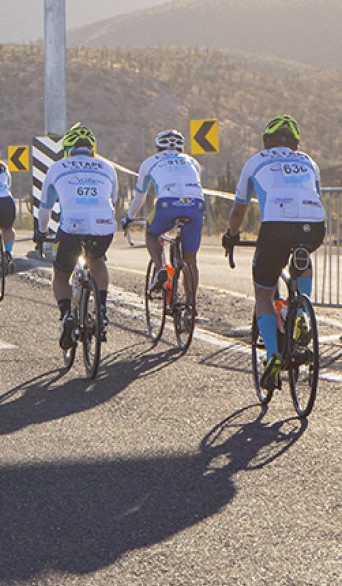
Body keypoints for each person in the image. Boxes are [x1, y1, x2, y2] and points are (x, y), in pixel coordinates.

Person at [222, 114, 325, 390]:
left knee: (263, 291)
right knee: (302, 256)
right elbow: (315, 195)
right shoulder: (308, 161)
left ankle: (273, 356)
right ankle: (301, 310)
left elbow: (238, 209)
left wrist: (231, 236)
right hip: (314, 225)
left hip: (276, 227)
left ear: (267, 142)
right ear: (296, 143)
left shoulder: (256, 160)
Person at [37, 124, 117, 347]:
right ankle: (101, 310)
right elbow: (114, 199)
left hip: (71, 226)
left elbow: (45, 207)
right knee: (97, 262)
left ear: (67, 148)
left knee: (61, 275)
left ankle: (66, 316)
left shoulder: (57, 167)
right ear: (92, 148)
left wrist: (41, 232)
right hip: (103, 225)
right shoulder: (107, 167)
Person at [119, 129, 204, 294]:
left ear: (157, 148)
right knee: (191, 259)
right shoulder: (193, 162)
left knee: (151, 232)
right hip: (195, 204)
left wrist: (129, 218)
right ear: (182, 149)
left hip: (167, 204)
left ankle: (160, 269)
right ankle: (191, 309)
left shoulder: (149, 162)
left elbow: (140, 197)